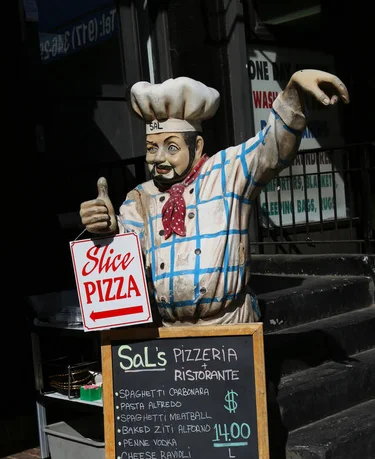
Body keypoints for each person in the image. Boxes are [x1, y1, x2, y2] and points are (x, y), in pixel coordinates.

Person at [80, 71, 349, 327]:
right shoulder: (140, 198)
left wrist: (293, 95)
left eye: (171, 147)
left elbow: (272, 148)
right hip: (169, 330)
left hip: (229, 327)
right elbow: (126, 253)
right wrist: (107, 226)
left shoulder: (226, 172)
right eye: (152, 148)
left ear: (196, 147)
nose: (158, 158)